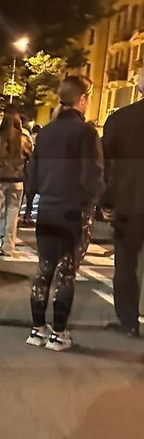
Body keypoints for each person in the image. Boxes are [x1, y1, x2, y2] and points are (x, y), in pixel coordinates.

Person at [25, 76, 104, 351]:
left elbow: (32, 175)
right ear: (82, 99)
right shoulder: (86, 133)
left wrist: (30, 203)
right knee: (66, 273)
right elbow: (93, 175)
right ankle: (59, 335)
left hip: (47, 210)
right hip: (73, 213)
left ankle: (37, 331)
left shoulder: (45, 132)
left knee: (44, 270)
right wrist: (96, 203)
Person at [101, 67, 144, 338]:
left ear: (139, 86)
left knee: (126, 263)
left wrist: (105, 200)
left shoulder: (120, 119)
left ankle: (128, 321)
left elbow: (104, 164)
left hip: (129, 204)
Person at [0, 111, 33, 257]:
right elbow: (31, 158)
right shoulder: (24, 140)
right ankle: (8, 247)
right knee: (12, 214)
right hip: (17, 181)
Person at [20, 124, 42, 226]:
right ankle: (23, 215)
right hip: (24, 173)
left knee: (30, 196)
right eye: (34, 134)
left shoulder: (39, 147)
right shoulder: (28, 144)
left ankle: (27, 215)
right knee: (24, 195)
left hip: (31, 174)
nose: (35, 137)